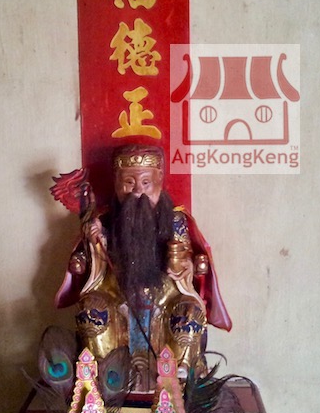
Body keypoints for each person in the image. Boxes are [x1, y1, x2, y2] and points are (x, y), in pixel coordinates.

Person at [54, 144, 231, 391]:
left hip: (167, 295)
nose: (138, 190)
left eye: (146, 183)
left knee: (188, 313)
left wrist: (182, 264)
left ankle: (178, 377)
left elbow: (190, 260)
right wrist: (95, 241)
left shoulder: (175, 220)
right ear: (117, 184)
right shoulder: (105, 220)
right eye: (129, 183)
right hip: (115, 293)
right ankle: (104, 375)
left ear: (159, 181)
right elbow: (88, 260)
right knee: (91, 310)